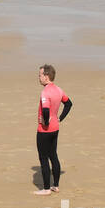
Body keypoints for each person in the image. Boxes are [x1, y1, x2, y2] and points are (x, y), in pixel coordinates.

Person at [33, 64, 73, 195]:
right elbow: (68, 104)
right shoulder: (59, 90)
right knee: (53, 156)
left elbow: (45, 109)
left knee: (43, 158)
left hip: (44, 130)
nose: (38, 77)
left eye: (40, 75)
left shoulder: (45, 92)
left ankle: (45, 189)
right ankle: (55, 185)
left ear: (46, 76)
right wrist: (59, 118)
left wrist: (45, 121)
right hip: (55, 128)